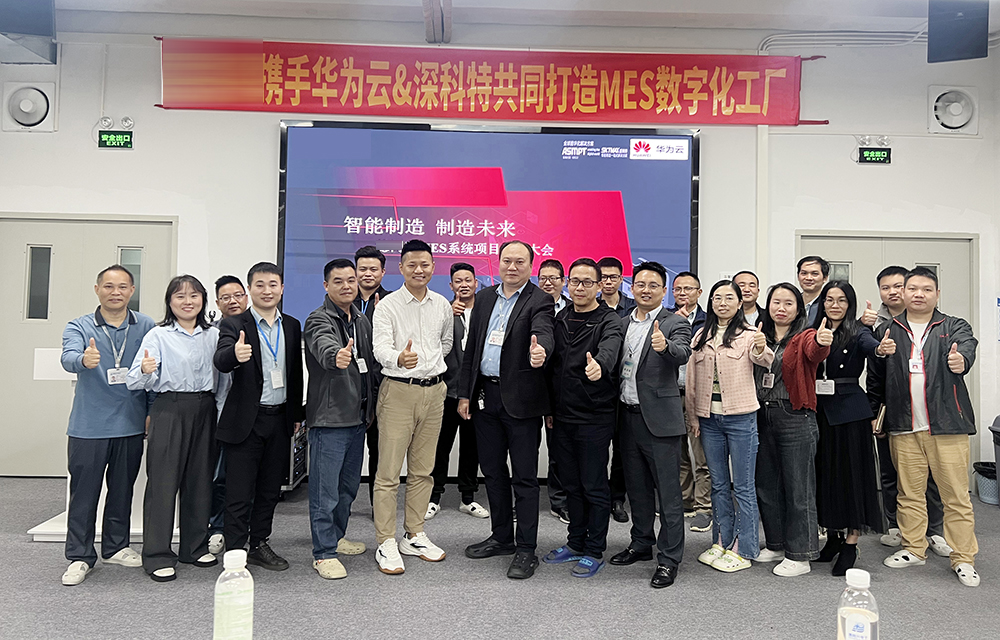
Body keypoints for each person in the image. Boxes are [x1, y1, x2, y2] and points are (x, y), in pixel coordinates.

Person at [871, 267, 981, 587]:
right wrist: (876, 414)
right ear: (903, 293)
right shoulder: (887, 330)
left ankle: (963, 558)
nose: (919, 294)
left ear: (937, 294)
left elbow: (967, 347)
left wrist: (962, 361)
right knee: (909, 493)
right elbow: (876, 377)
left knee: (956, 496)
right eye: (913, 288)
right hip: (904, 425)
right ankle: (913, 548)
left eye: (927, 289)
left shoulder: (953, 326)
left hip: (947, 426)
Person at [459, 241, 554, 580]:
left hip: (521, 402)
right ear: (498, 263)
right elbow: (472, 349)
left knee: (524, 478)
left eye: (519, 262)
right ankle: (501, 537)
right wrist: (465, 394)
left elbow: (544, 332)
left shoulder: (540, 300)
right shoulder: (484, 298)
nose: (512, 267)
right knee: (493, 472)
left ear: (531, 265)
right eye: (506, 261)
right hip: (485, 397)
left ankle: (526, 549)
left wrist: (541, 351)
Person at [58, 265, 155, 586]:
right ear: (97, 289)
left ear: (132, 291)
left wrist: (151, 411)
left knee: (122, 491)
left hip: (130, 423)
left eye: (123, 286)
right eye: (109, 286)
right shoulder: (79, 325)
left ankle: (116, 547)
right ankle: (79, 556)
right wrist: (82, 360)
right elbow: (68, 357)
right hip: (89, 427)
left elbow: (153, 372)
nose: (116, 292)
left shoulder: (146, 325)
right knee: (84, 495)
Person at [126, 275, 219, 582]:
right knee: (163, 482)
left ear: (203, 300)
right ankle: (157, 555)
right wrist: (144, 370)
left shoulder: (214, 335)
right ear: (169, 301)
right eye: (180, 296)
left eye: (194, 295)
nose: (187, 301)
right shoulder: (158, 335)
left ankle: (194, 547)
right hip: (169, 407)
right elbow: (133, 381)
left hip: (206, 408)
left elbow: (224, 379)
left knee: (200, 480)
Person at [214, 262, 304, 571]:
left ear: (282, 289)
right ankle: (235, 550)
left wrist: (296, 414)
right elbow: (221, 359)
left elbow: (294, 373)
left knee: (269, 490)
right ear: (249, 290)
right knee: (239, 493)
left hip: (279, 420)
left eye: (273, 285)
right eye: (260, 285)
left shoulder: (291, 325)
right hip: (246, 422)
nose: (267, 291)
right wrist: (234, 355)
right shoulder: (234, 324)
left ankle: (258, 544)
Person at [371, 239, 453, 575]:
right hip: (398, 392)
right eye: (412, 265)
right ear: (401, 268)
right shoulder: (387, 306)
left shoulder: (442, 304)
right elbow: (379, 348)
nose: (419, 270)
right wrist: (399, 359)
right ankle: (385, 540)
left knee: (423, 470)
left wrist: (428, 366)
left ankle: (414, 534)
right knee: (388, 473)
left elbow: (445, 343)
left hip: (434, 393)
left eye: (425, 264)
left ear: (433, 267)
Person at [608, 262, 691, 589]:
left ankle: (669, 558)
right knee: (637, 489)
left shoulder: (674, 322)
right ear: (632, 288)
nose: (645, 290)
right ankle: (641, 543)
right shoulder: (621, 322)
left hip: (659, 421)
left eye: (653, 285)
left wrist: (665, 347)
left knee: (668, 495)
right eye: (640, 284)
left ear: (664, 290)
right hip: (627, 417)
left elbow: (682, 352)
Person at [543, 258, 624, 579]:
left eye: (587, 282)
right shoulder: (561, 318)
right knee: (571, 484)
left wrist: (599, 365)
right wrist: (549, 408)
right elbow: (552, 367)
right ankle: (575, 542)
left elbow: (610, 349)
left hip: (594, 415)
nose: (580, 287)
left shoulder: (609, 320)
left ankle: (594, 549)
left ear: (599, 286)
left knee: (593, 485)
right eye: (574, 281)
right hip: (562, 416)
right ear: (567, 283)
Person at [686, 280, 773, 573]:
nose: (722, 303)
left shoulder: (749, 335)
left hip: (741, 419)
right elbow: (691, 381)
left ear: (739, 303)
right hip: (709, 419)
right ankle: (721, 541)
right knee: (719, 485)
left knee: (744, 487)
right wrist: (693, 417)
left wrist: (761, 346)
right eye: (717, 298)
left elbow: (765, 359)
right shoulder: (701, 335)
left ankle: (744, 548)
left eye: (728, 298)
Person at [304, 258, 380, 579]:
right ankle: (323, 553)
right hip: (330, 419)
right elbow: (324, 345)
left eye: (351, 280)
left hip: (357, 419)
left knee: (347, 489)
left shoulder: (360, 319)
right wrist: (336, 355)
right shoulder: (318, 319)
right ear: (326, 285)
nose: (347, 286)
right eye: (338, 281)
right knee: (325, 492)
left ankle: (335, 537)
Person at [866, 266, 949, 557]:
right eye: (885, 287)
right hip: (894, 413)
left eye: (898, 286)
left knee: (932, 477)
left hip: (931, 416)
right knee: (891, 472)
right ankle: (896, 525)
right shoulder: (879, 327)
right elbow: (875, 377)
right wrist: (876, 414)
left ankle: (935, 530)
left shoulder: (938, 325)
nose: (892, 292)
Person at [753, 284, 831, 577]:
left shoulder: (805, 335)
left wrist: (822, 341)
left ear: (798, 309)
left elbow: (815, 351)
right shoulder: (759, 335)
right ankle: (776, 543)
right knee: (767, 485)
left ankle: (800, 554)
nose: (781, 308)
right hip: (762, 415)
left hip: (795, 415)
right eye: (776, 302)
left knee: (799, 487)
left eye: (788, 303)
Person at [811, 281, 883, 576]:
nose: (835, 305)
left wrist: (880, 348)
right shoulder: (813, 330)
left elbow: (871, 347)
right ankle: (833, 537)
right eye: (829, 299)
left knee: (852, 477)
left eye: (842, 300)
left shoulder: (858, 330)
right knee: (826, 475)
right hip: (819, 411)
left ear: (850, 304)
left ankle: (851, 542)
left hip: (851, 412)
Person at [427, 263, 489, 520]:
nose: (464, 284)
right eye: (458, 281)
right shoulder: (442, 310)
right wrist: (446, 317)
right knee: (440, 446)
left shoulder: (486, 311)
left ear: (476, 283)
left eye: (468, 280)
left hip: (476, 392)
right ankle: (433, 497)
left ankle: (468, 498)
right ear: (451, 286)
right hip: (447, 390)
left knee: (472, 447)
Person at [208, 275, 249, 556]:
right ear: (217, 303)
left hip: (251, 415)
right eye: (225, 297)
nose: (232, 301)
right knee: (218, 475)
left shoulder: (257, 327)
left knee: (246, 477)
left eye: (237, 295)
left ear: (246, 297)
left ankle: (244, 529)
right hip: (218, 413)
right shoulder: (211, 334)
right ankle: (217, 527)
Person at [671, 271, 711, 532]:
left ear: (699, 292)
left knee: (702, 454)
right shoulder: (665, 319)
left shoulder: (709, 321)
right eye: (678, 289)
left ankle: (704, 507)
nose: (683, 293)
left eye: (688, 288)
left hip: (697, 394)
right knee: (678, 453)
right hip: (672, 394)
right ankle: (685, 501)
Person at [355, 245, 392, 510]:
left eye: (373, 269)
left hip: (382, 388)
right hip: (351, 388)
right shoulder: (344, 301)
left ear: (383, 272)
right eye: (362, 269)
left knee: (380, 451)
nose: (368, 274)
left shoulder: (392, 302)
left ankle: (378, 506)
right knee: (350, 450)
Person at [597, 256, 633, 522]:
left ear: (621, 279)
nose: (608, 282)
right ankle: (598, 497)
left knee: (622, 448)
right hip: (598, 388)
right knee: (596, 447)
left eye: (613, 277)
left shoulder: (633, 308)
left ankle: (617, 498)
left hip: (627, 387)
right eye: (604, 277)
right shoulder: (590, 306)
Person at [537, 258, 570, 523]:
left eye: (553, 278)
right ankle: (523, 502)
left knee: (559, 449)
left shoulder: (572, 309)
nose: (548, 283)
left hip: (559, 388)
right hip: (528, 386)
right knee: (524, 448)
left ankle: (559, 501)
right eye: (543, 278)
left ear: (563, 281)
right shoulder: (529, 305)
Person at [796, 256, 829, 324]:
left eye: (814, 274)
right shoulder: (793, 303)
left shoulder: (828, 305)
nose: (808, 278)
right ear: (798, 276)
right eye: (804, 273)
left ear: (825, 278)